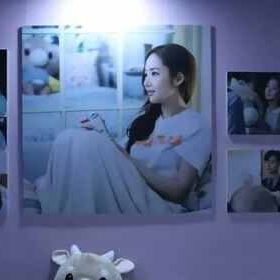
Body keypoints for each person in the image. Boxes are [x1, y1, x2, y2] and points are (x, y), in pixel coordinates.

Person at [35, 43, 211, 214]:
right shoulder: (146, 119)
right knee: (69, 137)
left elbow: (179, 191)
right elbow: (117, 157)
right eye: (145, 74)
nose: (146, 82)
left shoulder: (198, 126)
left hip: (155, 202)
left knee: (87, 141)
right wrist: (100, 135)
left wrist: (126, 158)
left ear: (178, 79)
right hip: (127, 188)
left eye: (155, 74)